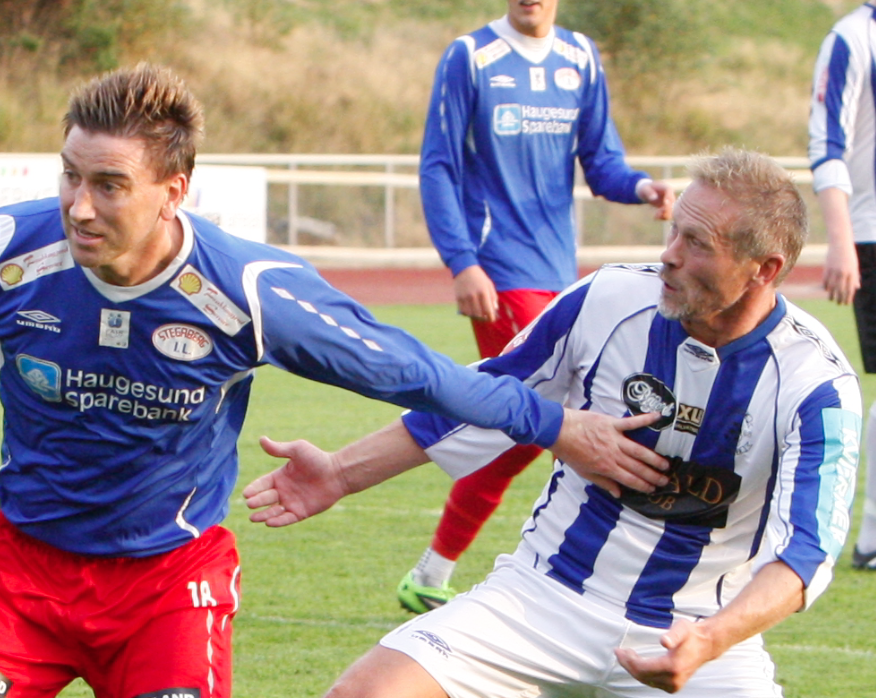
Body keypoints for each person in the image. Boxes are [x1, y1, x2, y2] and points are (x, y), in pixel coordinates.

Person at [0, 64, 667, 698]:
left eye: (109, 184)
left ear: (174, 189)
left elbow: (418, 372)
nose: (79, 204)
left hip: (168, 583)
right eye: (70, 175)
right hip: (14, 578)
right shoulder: (6, 254)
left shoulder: (249, 293)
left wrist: (554, 425)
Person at [245, 150, 859, 697]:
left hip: (697, 630)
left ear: (764, 269)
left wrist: (712, 639)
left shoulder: (816, 384)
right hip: (542, 598)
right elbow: (484, 401)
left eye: (697, 243)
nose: (668, 255)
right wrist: (340, 473)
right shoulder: (609, 299)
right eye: (673, 231)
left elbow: (806, 551)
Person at [405, 0, 677, 612]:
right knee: (544, 422)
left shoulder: (580, 57)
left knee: (524, 428)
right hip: (498, 269)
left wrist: (642, 186)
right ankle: (556, 575)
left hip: (560, 272)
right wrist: (462, 261)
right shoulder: (471, 57)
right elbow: (438, 165)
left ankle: (436, 572)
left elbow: (600, 163)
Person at [808, 2, 876, 571]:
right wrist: (841, 240)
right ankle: (872, 534)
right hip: (872, 231)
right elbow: (827, 144)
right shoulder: (853, 38)